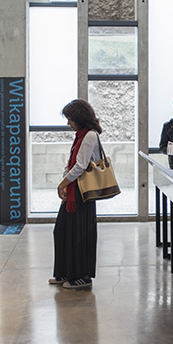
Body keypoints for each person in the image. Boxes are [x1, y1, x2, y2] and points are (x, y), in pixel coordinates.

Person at [52, 99, 103, 290]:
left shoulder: (90, 136)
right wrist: (65, 181)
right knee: (63, 231)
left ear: (79, 118)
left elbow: (81, 166)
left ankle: (82, 276)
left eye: (70, 119)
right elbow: (72, 163)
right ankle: (65, 271)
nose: (68, 123)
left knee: (80, 236)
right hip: (74, 192)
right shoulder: (80, 136)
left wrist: (62, 184)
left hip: (83, 194)